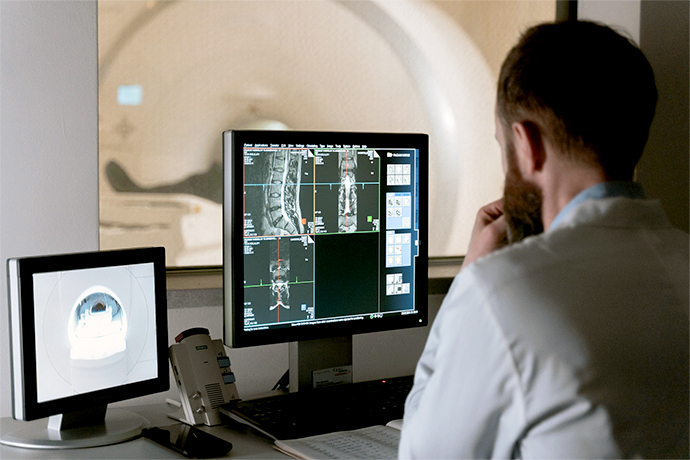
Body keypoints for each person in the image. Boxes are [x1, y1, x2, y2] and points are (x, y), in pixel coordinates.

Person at [399, 20, 688, 459]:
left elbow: (423, 454)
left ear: (527, 143)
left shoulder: (500, 291)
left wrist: (470, 281)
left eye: (502, 145)